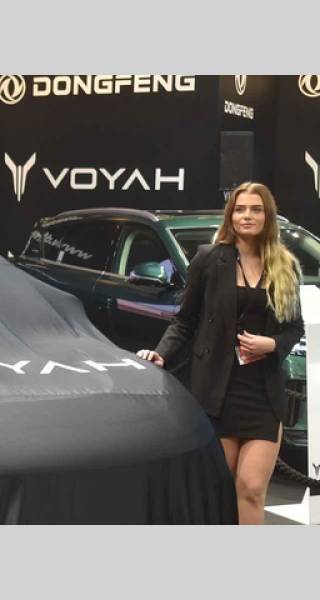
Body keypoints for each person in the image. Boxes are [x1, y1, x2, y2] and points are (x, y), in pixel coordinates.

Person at [136, 182, 304, 524]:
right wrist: (162, 354)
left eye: (255, 209)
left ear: (267, 216)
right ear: (231, 215)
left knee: (252, 488)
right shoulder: (209, 259)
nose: (247, 216)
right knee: (220, 490)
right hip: (217, 391)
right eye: (240, 209)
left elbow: (294, 327)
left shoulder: (284, 265)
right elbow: (185, 320)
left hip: (262, 394)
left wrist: (272, 345)